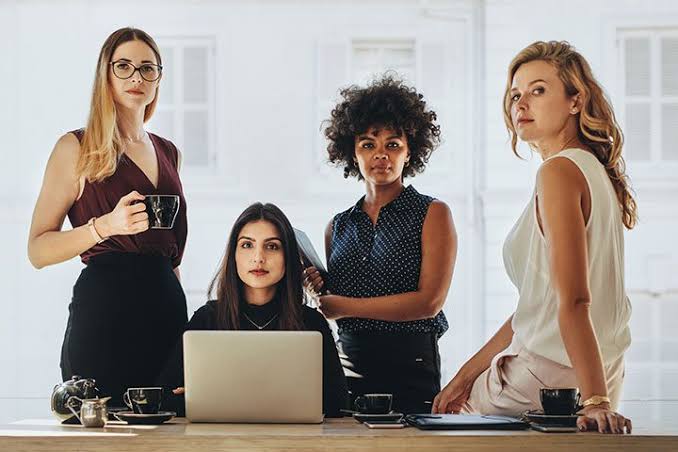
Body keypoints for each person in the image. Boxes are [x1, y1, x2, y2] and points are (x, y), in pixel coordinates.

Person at [432, 41, 635, 434]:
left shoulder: (558, 173)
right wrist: (465, 375)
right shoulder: (594, 172)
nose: (521, 103)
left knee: (442, 431)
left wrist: (595, 402)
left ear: (576, 100)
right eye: (515, 95)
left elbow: (575, 299)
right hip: (600, 370)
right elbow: (538, 308)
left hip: (547, 378)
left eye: (538, 90)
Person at [27, 27, 188, 406]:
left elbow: (170, 252)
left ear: (159, 78)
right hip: (106, 313)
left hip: (166, 310)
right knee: (102, 432)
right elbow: (37, 250)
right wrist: (105, 227)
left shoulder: (169, 151)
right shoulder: (75, 147)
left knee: (171, 434)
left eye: (148, 68)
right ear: (106, 74)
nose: (137, 77)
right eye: (125, 66)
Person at [305, 75, 457, 414]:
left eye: (393, 144)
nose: (381, 155)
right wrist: (323, 288)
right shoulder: (338, 225)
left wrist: (342, 305)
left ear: (410, 151)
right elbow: (348, 296)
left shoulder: (432, 213)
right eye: (368, 144)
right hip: (349, 361)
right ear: (351, 151)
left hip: (412, 362)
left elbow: (428, 302)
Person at [159, 203, 348, 417]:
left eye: (272, 246)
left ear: (288, 257)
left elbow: (338, 404)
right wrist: (193, 399)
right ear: (234, 255)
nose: (258, 257)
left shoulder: (311, 322)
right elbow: (164, 396)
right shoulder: (207, 319)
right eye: (247, 245)